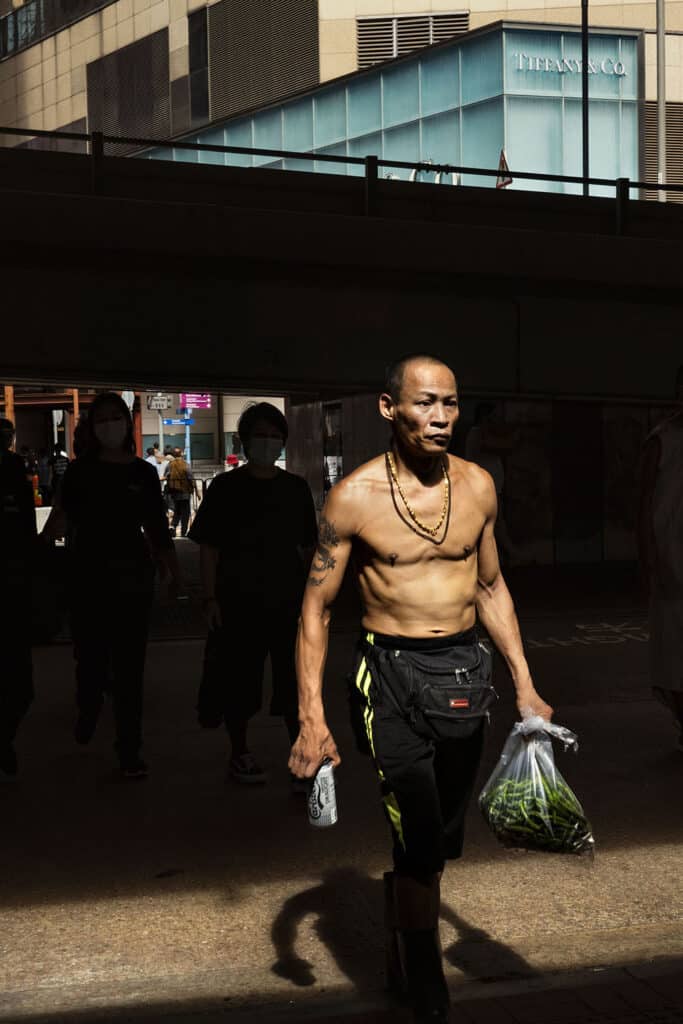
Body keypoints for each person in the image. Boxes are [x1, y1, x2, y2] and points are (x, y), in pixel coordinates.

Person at [289, 355, 552, 1024]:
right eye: (425, 403)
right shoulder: (352, 497)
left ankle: (402, 925)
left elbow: (490, 586)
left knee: (437, 839)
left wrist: (525, 684)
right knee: (416, 831)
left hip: (463, 673)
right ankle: (423, 970)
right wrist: (309, 718)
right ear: (388, 407)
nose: (440, 418)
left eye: (451, 405)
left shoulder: (478, 487)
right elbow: (315, 611)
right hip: (388, 679)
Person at [52, 392, 181, 778]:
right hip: (86, 576)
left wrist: (172, 571)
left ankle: (129, 749)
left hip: (132, 579)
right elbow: (60, 517)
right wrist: (39, 553)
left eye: (116, 417)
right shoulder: (79, 472)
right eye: (103, 419)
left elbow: (157, 528)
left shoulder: (142, 473)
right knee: (89, 659)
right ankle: (88, 705)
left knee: (130, 668)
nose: (111, 425)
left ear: (126, 423)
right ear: (93, 428)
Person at [189, 402, 317, 786]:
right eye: (260, 435)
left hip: (288, 601)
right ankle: (239, 752)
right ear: (244, 441)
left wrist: (314, 602)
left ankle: (301, 757)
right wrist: (209, 598)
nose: (267, 442)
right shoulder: (225, 488)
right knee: (239, 682)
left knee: (294, 683)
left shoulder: (294, 489)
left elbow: (308, 551)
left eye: (274, 436)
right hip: (237, 602)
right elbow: (208, 547)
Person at [638, 368, 683, 752]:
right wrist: (649, 558)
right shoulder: (662, 439)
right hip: (672, 560)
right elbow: (643, 503)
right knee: (672, 651)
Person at [0, 419, 36, 776]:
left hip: (14, 589)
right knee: (19, 684)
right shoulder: (16, 476)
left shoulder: (15, 475)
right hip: (14, 590)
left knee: (20, 686)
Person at [163, 447, 196, 538]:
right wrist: (195, 489)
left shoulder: (170, 465)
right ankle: (183, 532)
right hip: (185, 492)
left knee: (177, 510)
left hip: (174, 492)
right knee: (185, 512)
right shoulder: (185, 464)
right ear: (181, 454)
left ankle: (173, 527)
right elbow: (190, 477)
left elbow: (166, 475)